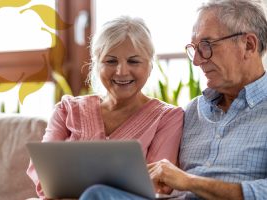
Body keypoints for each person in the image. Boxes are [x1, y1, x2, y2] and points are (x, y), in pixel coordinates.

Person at [79, 0, 267, 199]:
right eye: (194, 48)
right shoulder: (193, 111)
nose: (196, 60)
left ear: (248, 45)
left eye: (206, 45)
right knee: (98, 194)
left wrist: (190, 182)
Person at [26, 16, 184, 199]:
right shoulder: (66, 109)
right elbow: (44, 172)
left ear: (150, 65)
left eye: (134, 61)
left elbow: (159, 185)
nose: (122, 71)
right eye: (110, 61)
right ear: (96, 64)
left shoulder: (168, 117)